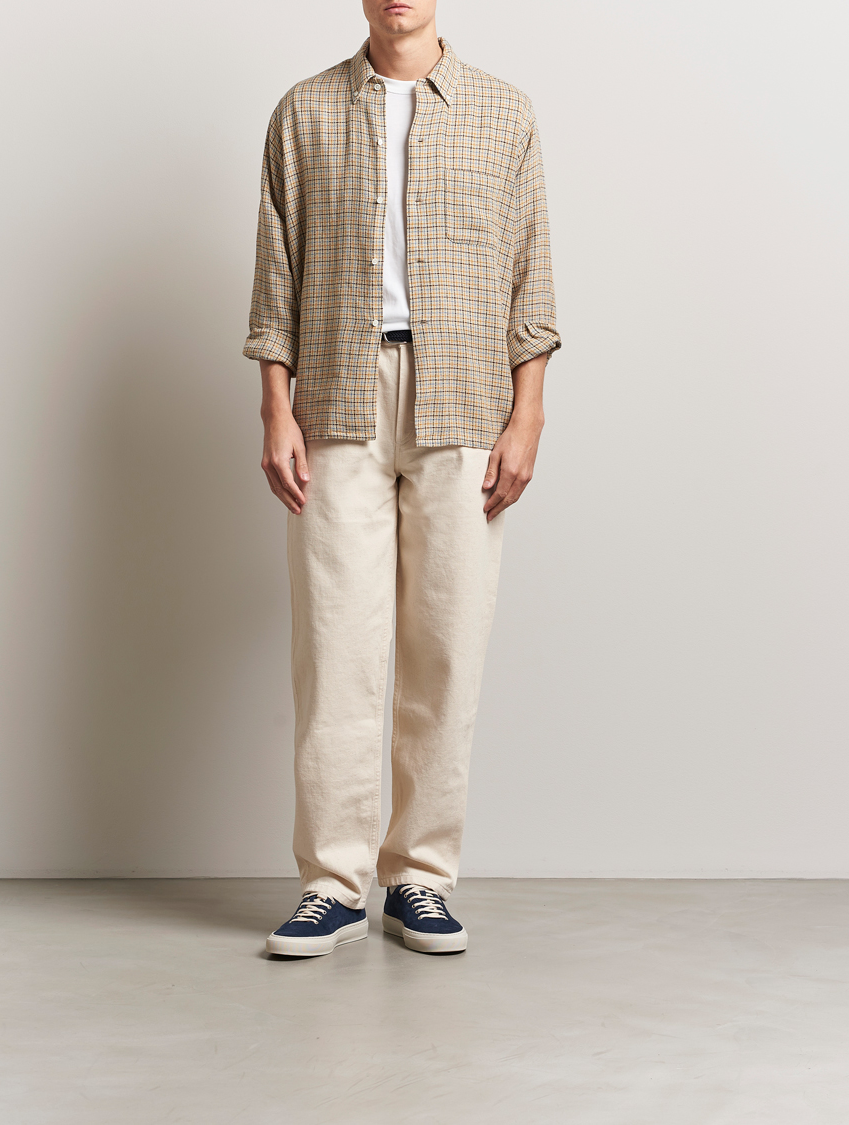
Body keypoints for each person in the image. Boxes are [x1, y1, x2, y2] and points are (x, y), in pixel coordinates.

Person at [243, 0, 560, 957]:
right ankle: (332, 883)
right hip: (336, 394)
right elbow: (276, 277)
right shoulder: (304, 111)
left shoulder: (504, 112)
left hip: (465, 395)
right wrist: (275, 407)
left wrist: (529, 414)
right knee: (335, 645)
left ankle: (420, 875)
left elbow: (531, 275)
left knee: (446, 645)